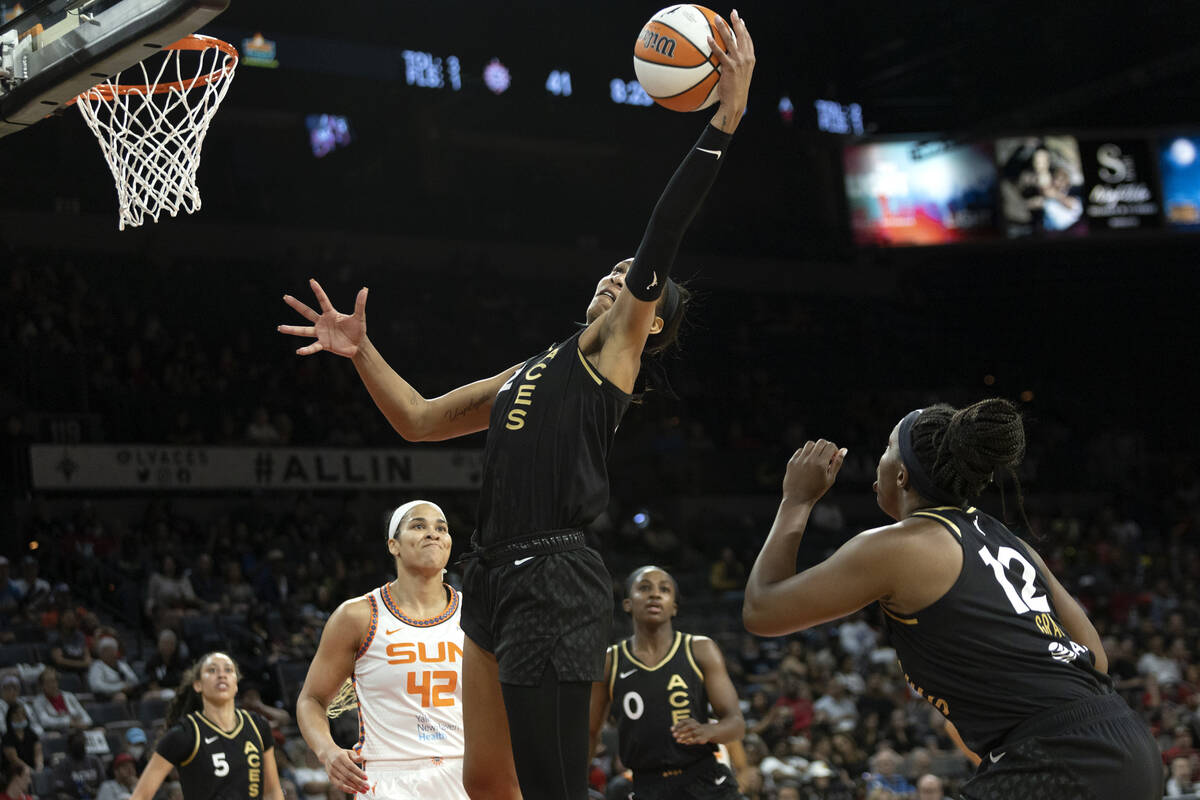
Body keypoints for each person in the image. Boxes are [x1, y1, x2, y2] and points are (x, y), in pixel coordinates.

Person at [278, 12, 755, 799]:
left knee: (550, 785)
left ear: (651, 315)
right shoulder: (537, 365)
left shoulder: (616, 352)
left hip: (555, 572)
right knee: (488, 781)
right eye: (613, 267)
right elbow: (421, 420)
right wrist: (361, 352)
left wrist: (725, 120)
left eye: (633, 278)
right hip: (492, 575)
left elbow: (664, 231)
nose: (618, 274)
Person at [742, 400, 1164, 800]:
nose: (880, 460)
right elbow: (1094, 657)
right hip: (1123, 740)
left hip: (1060, 758)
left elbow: (762, 611)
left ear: (902, 475)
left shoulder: (899, 545)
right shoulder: (1007, 539)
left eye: (888, 449)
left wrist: (796, 502)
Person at [296, 501, 481, 800]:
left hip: (465, 773)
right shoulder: (357, 616)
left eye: (441, 528)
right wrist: (327, 751)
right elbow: (311, 699)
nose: (433, 534)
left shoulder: (477, 613)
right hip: (389, 779)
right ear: (393, 545)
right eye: (419, 525)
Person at [589, 566, 744, 799]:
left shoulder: (700, 649)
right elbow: (589, 732)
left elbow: (736, 723)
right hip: (647, 785)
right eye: (644, 588)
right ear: (627, 604)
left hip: (705, 779)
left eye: (664, 589)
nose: (655, 594)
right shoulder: (610, 661)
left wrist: (708, 731)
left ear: (674, 607)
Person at [127, 652, 283, 800]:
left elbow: (272, 792)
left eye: (228, 670)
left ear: (236, 683)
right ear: (198, 685)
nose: (222, 675)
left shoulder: (258, 726)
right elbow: (140, 796)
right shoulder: (184, 734)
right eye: (212, 670)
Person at [31, 668, 92, 732]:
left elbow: (85, 715)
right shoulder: (38, 701)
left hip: (78, 728)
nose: (52, 685)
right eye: (48, 682)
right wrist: (68, 722)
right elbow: (45, 721)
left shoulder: (69, 696)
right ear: (42, 685)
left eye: (54, 681)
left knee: (100, 729)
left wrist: (84, 723)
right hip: (58, 731)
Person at [52, 730, 105, 800]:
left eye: (81, 740)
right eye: (76, 740)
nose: (79, 743)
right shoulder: (63, 764)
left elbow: (104, 787)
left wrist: (92, 792)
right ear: (69, 744)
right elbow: (59, 793)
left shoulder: (94, 761)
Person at [86, 636, 141, 702]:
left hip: (128, 694)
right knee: (121, 697)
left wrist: (128, 687)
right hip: (106, 697)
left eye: (112, 650)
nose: (110, 653)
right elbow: (96, 686)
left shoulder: (122, 664)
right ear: (100, 652)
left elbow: (135, 680)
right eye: (106, 651)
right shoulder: (97, 666)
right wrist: (120, 687)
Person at [0, 705, 40, 774]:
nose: (20, 717)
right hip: (15, 770)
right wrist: (29, 770)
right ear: (10, 717)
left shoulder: (32, 734)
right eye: (16, 715)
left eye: (22, 714)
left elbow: (38, 753)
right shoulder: (7, 737)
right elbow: (14, 759)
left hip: (33, 767)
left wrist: (39, 766)